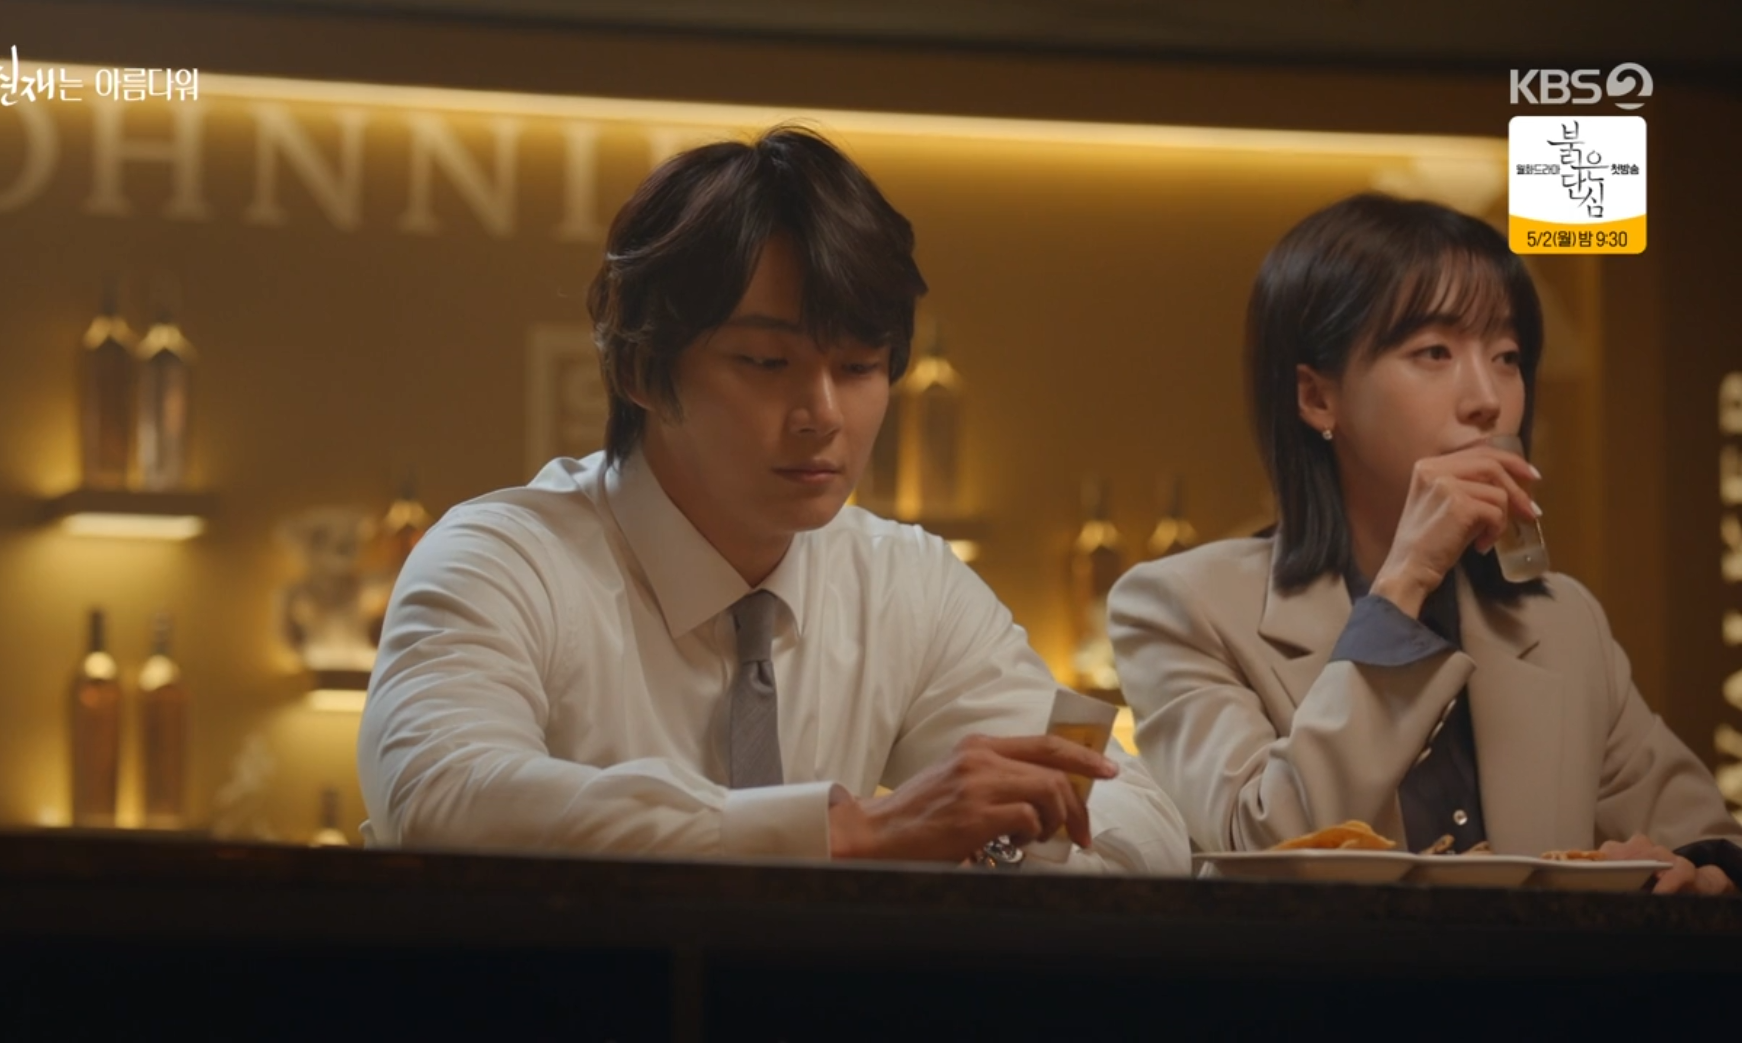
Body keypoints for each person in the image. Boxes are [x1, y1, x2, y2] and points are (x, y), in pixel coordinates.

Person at [358, 126, 1188, 873]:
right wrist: (844, 834)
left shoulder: (906, 585)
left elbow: (1135, 820)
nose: (822, 414)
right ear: (641, 370)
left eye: (859, 367)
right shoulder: (502, 561)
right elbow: (442, 797)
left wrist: (1006, 848)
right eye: (765, 362)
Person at [1109, 194, 1741, 894]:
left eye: (1507, 356)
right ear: (1317, 398)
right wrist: (1405, 583)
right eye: (1434, 352)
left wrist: (1695, 871)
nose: (1487, 398)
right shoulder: (1183, 605)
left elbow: (1706, 834)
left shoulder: (1564, 621)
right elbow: (1269, 844)